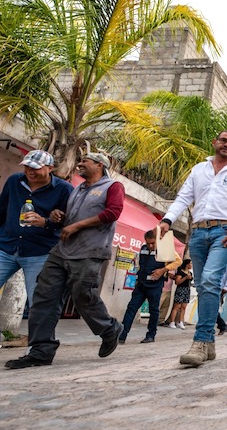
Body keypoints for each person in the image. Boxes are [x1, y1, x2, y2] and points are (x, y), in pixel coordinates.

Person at [5, 152, 124, 369]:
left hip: (90, 251)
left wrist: (76, 226)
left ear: (99, 165)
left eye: (84, 161)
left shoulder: (112, 187)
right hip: (61, 250)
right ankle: (41, 350)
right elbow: (65, 219)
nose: (79, 164)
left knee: (83, 296)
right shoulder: (77, 189)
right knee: (43, 296)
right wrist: (58, 216)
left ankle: (109, 328)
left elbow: (113, 212)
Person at [159, 130, 227, 367]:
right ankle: (210, 344)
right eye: (223, 140)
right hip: (198, 232)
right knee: (204, 287)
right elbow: (184, 197)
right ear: (214, 142)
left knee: (212, 280)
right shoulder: (198, 170)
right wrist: (167, 219)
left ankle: (200, 342)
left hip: (225, 233)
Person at [0, 150, 72, 308]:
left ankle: (39, 334)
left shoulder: (64, 189)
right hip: (5, 248)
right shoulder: (14, 181)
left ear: (50, 168)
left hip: (40, 253)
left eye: (35, 168)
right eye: (27, 167)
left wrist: (46, 222)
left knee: (39, 304)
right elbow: (2, 210)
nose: (29, 171)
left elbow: (68, 222)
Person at [119, 230, 181, 344]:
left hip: (155, 286)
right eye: (148, 243)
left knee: (153, 311)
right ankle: (121, 336)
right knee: (131, 308)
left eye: (153, 243)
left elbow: (178, 261)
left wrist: (163, 270)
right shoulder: (143, 248)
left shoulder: (164, 249)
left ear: (157, 240)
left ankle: (151, 335)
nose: (150, 246)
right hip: (141, 285)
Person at [167, 259, 193, 329]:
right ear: (187, 264)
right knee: (177, 306)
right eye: (190, 264)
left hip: (187, 289)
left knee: (183, 307)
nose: (191, 265)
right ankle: (172, 322)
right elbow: (177, 282)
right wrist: (185, 278)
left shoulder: (190, 273)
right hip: (181, 289)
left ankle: (181, 321)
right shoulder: (180, 272)